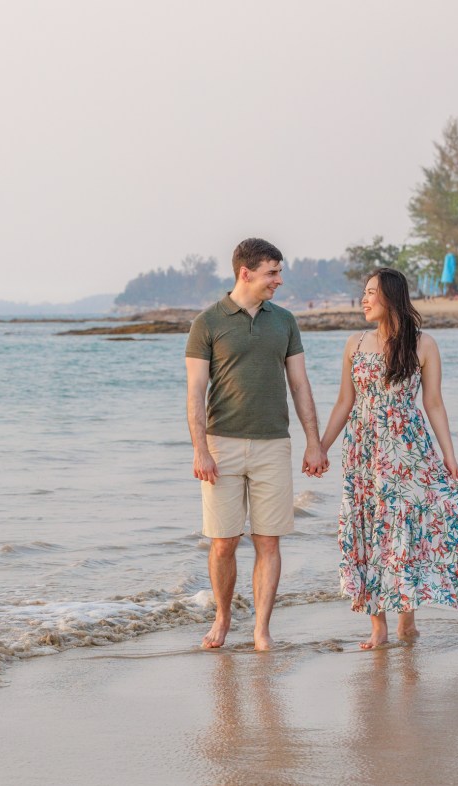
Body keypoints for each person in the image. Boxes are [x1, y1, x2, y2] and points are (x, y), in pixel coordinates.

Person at [319, 268, 458, 650]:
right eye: (364, 292)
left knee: (403, 530)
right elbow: (345, 402)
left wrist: (449, 455)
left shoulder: (423, 345)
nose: (364, 299)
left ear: (391, 297)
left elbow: (434, 403)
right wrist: (320, 447)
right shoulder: (355, 344)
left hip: (408, 451)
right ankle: (378, 627)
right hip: (363, 452)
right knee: (369, 529)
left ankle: (406, 619)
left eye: (371, 292)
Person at [185, 238, 327, 651]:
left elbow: (300, 386)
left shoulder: (284, 321)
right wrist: (200, 449)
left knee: (268, 540)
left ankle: (262, 629)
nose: (278, 281)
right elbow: (195, 393)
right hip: (221, 444)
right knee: (223, 541)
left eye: (278, 273)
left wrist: (313, 443)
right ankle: (223, 617)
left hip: (273, 445)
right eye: (272, 273)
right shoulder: (207, 323)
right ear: (245, 273)